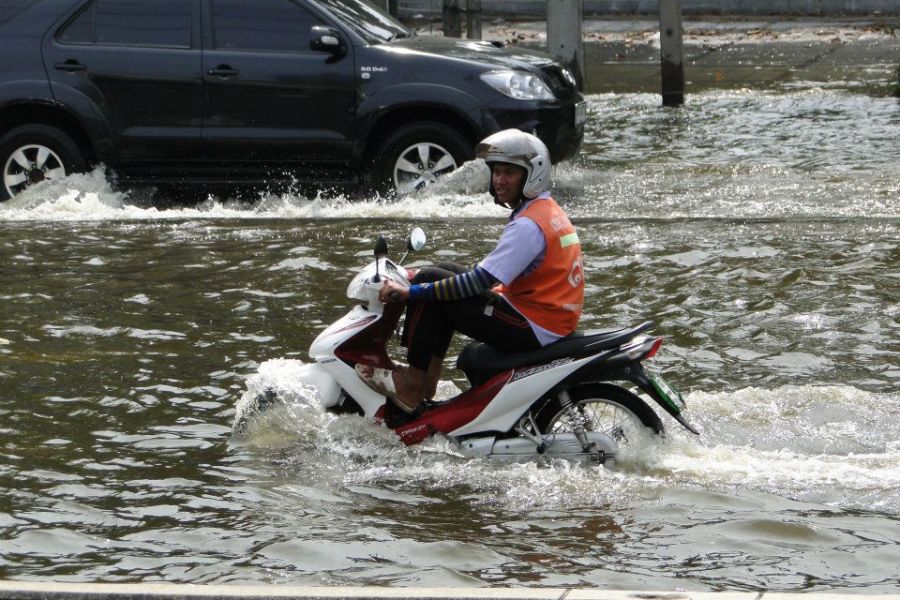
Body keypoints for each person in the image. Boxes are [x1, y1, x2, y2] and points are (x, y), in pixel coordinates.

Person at [355, 129, 584, 414]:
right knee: (443, 271)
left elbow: (479, 282)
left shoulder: (528, 226)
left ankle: (413, 384)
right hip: (549, 318)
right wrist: (412, 277)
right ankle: (426, 380)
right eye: (497, 172)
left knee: (430, 283)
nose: (500, 180)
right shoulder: (545, 211)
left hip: (534, 326)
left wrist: (410, 291)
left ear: (531, 175)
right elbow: (481, 276)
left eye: (509, 173)